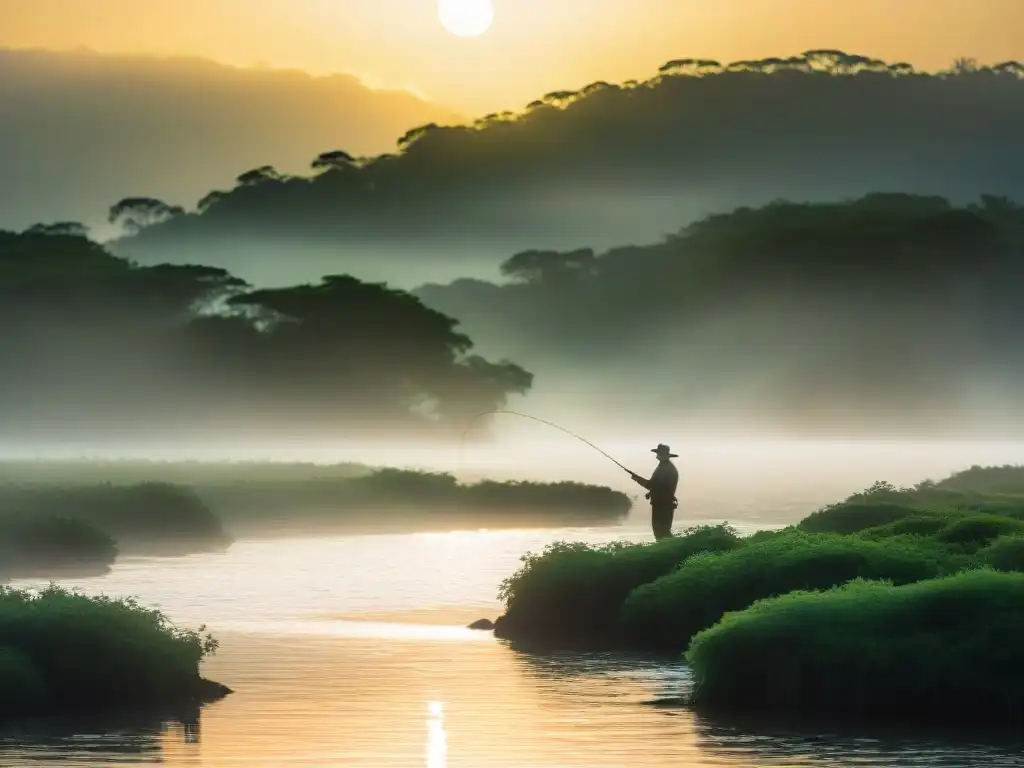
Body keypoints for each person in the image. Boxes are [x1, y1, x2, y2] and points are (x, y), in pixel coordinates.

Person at [628, 443, 679, 540]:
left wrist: (637, 479)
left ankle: (668, 552)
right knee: (661, 531)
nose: (657, 455)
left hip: (662, 504)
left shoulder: (665, 468)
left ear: (663, 455)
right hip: (663, 503)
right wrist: (651, 493)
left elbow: (652, 485)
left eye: (658, 453)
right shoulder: (665, 467)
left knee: (661, 531)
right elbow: (659, 486)